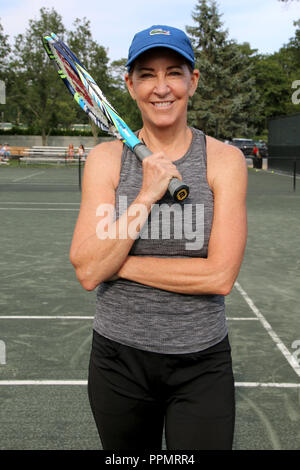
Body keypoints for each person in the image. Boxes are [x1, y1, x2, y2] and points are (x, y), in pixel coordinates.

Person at [70, 25, 248, 450]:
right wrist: (147, 194)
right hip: (119, 359)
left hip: (201, 362)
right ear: (130, 85)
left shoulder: (225, 161)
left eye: (174, 72)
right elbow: (87, 268)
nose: (161, 87)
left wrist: (115, 262)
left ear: (193, 81)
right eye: (147, 74)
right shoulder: (105, 160)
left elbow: (219, 276)